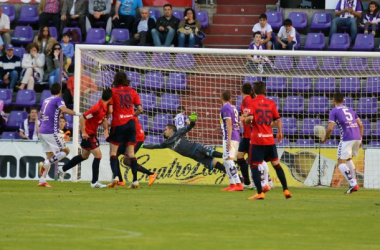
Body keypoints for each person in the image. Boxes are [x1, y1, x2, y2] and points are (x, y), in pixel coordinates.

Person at [245, 81, 291, 200]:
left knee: (254, 166)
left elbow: (249, 119)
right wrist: (280, 132)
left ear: (253, 92)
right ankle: (286, 189)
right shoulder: (271, 103)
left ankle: (260, 192)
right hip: (270, 139)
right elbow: (278, 120)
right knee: (276, 165)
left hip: (257, 140)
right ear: (264, 91)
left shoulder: (252, 102)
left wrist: (247, 120)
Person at [59, 89, 113, 188]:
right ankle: (94, 182)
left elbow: (102, 119)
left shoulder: (104, 107)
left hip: (91, 133)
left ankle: (63, 169)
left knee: (84, 156)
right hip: (88, 134)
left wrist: (106, 129)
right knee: (98, 156)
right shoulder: (97, 108)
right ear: (110, 99)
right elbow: (82, 118)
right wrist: (84, 132)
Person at [143, 114, 227, 175]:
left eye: (166, 129)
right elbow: (154, 146)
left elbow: (190, 126)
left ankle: (230, 158)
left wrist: (193, 120)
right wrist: (143, 145)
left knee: (216, 154)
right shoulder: (167, 143)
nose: (164, 131)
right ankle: (237, 177)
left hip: (198, 148)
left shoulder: (179, 132)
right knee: (216, 165)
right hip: (196, 157)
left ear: (171, 130)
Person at [38, 83, 81, 187]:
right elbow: (64, 110)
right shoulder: (58, 99)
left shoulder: (46, 100)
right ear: (60, 91)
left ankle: (42, 180)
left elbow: (40, 114)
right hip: (51, 131)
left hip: (42, 131)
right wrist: (79, 114)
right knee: (66, 151)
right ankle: (46, 163)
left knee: (49, 155)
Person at [321, 93, 363, 194]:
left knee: (340, 163)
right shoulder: (351, 110)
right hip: (357, 137)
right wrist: (360, 139)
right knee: (348, 159)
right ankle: (354, 182)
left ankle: (353, 184)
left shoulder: (334, 111)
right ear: (343, 101)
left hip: (347, 138)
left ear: (333, 100)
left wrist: (325, 138)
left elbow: (330, 128)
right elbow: (361, 125)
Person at [107, 72, 143, 189]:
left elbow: (111, 110)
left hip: (118, 123)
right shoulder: (132, 91)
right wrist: (133, 116)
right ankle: (135, 181)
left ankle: (116, 177)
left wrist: (106, 120)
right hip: (131, 123)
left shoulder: (112, 91)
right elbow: (140, 109)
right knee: (131, 154)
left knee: (113, 153)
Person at [236, 83, 273, 191]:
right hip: (247, 135)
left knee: (257, 160)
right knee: (240, 156)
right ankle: (248, 181)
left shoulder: (246, 100)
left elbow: (248, 117)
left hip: (250, 135)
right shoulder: (247, 100)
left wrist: (237, 120)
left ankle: (266, 181)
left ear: (241, 90)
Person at [114, 117, 158, 187]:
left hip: (136, 138)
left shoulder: (125, 114)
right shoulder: (126, 113)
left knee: (116, 155)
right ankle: (150, 174)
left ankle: (121, 181)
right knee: (126, 161)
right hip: (134, 137)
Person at [219, 91, 243, 191]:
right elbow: (239, 123)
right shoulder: (234, 108)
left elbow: (229, 123)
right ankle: (232, 184)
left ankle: (238, 184)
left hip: (230, 137)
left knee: (229, 159)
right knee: (225, 160)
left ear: (221, 98)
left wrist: (228, 139)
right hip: (235, 135)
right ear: (230, 98)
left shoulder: (225, 107)